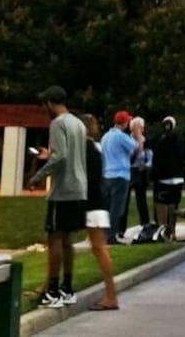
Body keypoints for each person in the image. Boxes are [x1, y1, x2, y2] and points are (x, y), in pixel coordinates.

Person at [27, 85, 87, 309]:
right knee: (68, 239)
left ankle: (52, 290)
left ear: (50, 104)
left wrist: (37, 176)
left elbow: (61, 158)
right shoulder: (78, 124)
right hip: (79, 188)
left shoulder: (57, 123)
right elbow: (68, 154)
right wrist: (49, 155)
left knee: (54, 238)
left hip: (63, 190)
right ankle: (67, 287)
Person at [77, 113, 119, 311]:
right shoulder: (96, 147)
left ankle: (111, 295)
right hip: (99, 201)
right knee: (99, 248)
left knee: (99, 248)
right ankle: (111, 294)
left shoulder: (84, 148)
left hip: (91, 203)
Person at [101, 110, 143, 245]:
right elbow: (137, 148)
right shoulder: (120, 136)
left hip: (107, 174)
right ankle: (112, 236)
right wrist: (138, 134)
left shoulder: (106, 136)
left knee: (107, 207)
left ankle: (105, 233)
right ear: (125, 123)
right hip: (120, 175)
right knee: (117, 208)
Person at [119, 116, 152, 237]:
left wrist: (147, 164)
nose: (139, 130)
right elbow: (132, 154)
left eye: (140, 128)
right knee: (124, 201)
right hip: (129, 171)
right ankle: (121, 229)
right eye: (136, 128)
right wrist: (138, 140)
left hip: (141, 171)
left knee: (141, 201)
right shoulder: (127, 140)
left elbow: (149, 156)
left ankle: (145, 225)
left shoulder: (146, 141)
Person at [153, 115, 184, 240]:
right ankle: (173, 231)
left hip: (163, 178)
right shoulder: (180, 140)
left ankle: (162, 230)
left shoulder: (160, 141)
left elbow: (156, 160)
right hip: (177, 178)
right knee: (173, 205)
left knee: (162, 203)